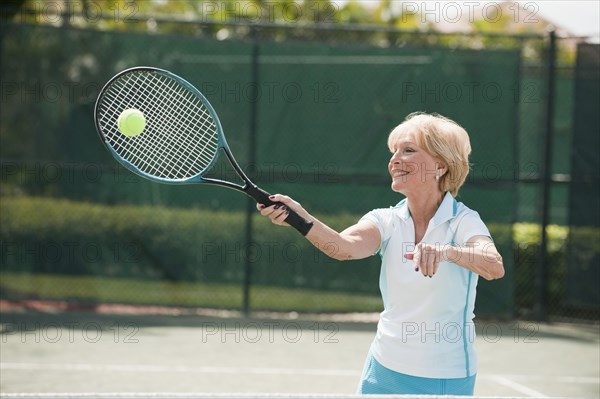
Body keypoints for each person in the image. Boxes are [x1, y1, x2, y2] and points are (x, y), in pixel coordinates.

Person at [257, 112, 504, 396]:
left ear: (441, 165)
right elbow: (343, 248)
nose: (394, 160)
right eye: (394, 151)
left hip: (446, 375)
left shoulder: (464, 221)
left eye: (408, 150)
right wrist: (298, 217)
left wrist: (447, 252)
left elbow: (493, 265)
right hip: (384, 368)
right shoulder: (385, 220)